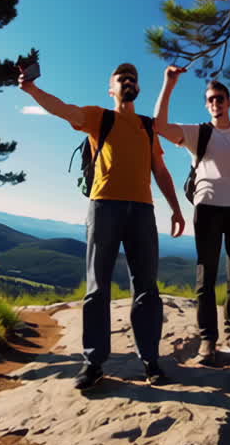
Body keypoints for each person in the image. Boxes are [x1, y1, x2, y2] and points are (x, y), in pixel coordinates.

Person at [19, 61, 186, 390]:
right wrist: (31, 89)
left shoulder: (147, 126)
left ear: (138, 88)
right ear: (111, 89)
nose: (128, 81)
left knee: (147, 288)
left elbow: (160, 170)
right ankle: (94, 363)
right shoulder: (99, 117)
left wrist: (176, 209)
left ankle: (150, 361)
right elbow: (62, 109)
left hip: (142, 210)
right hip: (104, 206)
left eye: (133, 78)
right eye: (122, 78)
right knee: (98, 287)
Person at [153, 65, 230, 366]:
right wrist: (169, 84)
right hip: (207, 208)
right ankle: (208, 338)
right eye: (211, 99)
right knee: (205, 276)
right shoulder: (199, 133)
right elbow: (160, 126)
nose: (216, 103)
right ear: (207, 105)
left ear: (229, 102)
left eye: (220, 98)